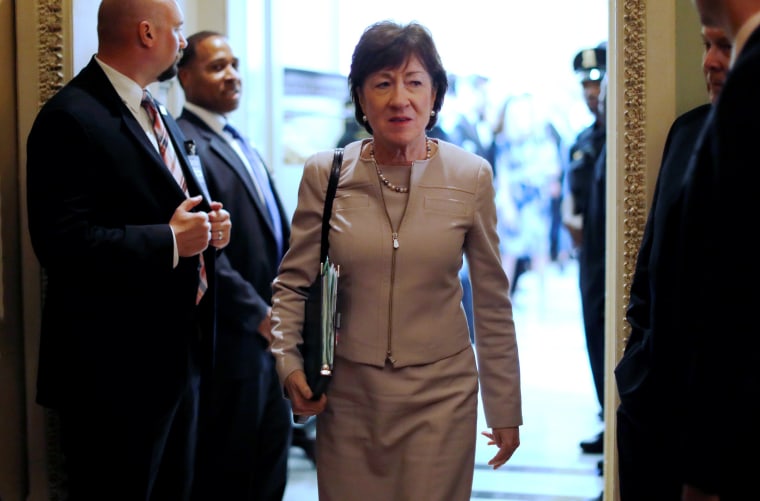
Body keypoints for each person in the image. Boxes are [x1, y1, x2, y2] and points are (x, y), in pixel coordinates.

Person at [270, 20, 522, 500]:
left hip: (441, 396)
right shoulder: (325, 173)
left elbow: (492, 301)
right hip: (349, 397)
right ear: (361, 98)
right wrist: (288, 363)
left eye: (414, 82)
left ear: (435, 95)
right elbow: (293, 283)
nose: (398, 98)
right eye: (382, 83)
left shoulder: (471, 175)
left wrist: (505, 407)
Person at [24, 1, 232, 499]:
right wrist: (169, 240)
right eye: (177, 30)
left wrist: (211, 230)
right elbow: (60, 243)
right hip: (113, 371)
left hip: (181, 354)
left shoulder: (155, 108)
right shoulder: (70, 117)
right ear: (146, 32)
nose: (183, 41)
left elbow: (179, 203)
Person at [615, 3, 751, 497]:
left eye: (727, 46)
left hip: (733, 429)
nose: (711, 62)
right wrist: (636, 373)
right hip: (654, 414)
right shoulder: (687, 131)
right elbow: (652, 267)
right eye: (706, 44)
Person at [175, 31, 294, 501]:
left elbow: (273, 236)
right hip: (231, 339)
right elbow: (204, 251)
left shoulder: (239, 139)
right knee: (230, 473)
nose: (233, 76)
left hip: (272, 337)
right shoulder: (186, 143)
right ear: (184, 76)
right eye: (217, 66)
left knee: (271, 464)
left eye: (235, 64)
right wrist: (259, 316)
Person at [563, 44, 608, 456]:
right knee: (594, 334)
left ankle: (614, 420)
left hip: (611, 254)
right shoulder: (582, 141)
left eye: (597, 82)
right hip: (588, 256)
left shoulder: (620, 136)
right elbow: (569, 196)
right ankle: (604, 414)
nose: (591, 91)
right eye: (586, 85)